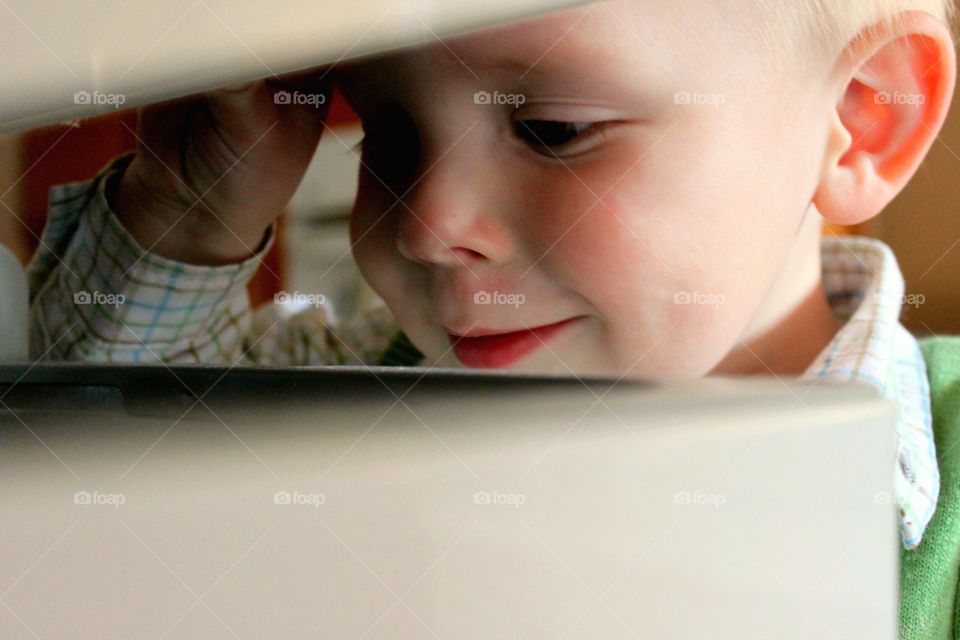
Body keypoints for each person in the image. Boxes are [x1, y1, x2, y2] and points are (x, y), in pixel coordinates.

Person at [24, 2, 960, 635]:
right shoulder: (351, 404)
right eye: (388, 134)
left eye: (552, 128)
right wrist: (188, 209)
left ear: (866, 113)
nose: (428, 227)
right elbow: (108, 507)